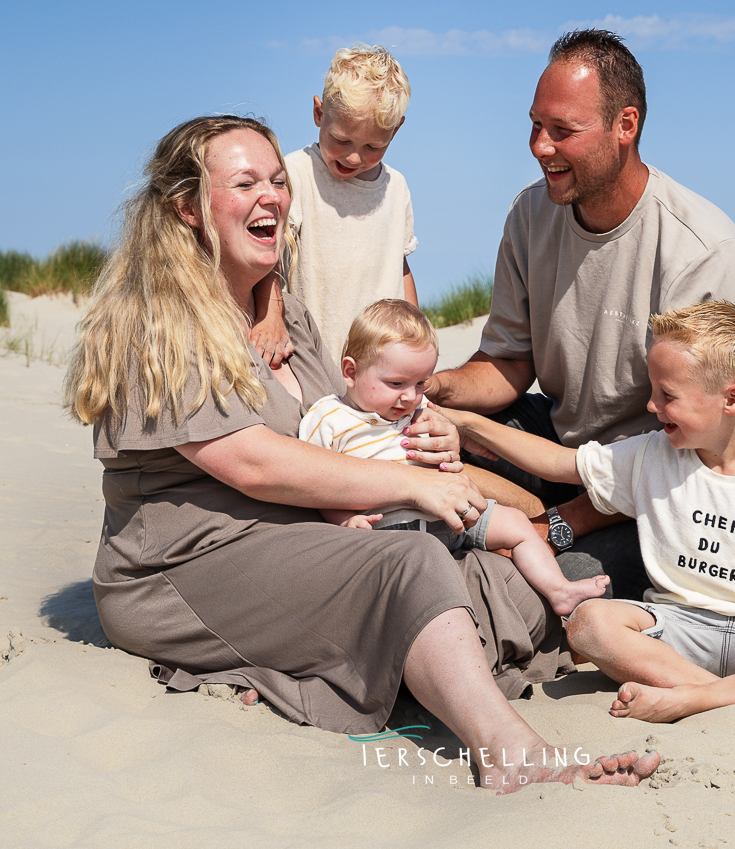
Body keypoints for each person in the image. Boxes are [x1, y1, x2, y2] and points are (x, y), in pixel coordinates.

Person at [64, 114, 658, 791]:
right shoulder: (158, 320)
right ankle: (508, 751)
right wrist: (405, 487)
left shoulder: (283, 314)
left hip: (303, 529)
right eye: (245, 182)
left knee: (499, 572)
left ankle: (396, 670)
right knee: (412, 561)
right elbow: (250, 460)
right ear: (187, 209)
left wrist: (427, 438)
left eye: (279, 181)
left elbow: (343, 417)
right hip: (187, 559)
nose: (273, 196)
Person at [440, 300, 735, 723]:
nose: (651, 404)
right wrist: (468, 422)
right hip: (678, 628)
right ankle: (709, 692)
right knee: (589, 624)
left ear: (733, 400)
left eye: (667, 395)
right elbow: (561, 464)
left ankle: (696, 697)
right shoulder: (653, 454)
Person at [426, 28, 735, 601]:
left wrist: (558, 526)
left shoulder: (704, 253)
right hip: (555, 447)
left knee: (555, 587)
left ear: (625, 126)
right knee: (413, 444)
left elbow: (706, 444)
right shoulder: (531, 213)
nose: (540, 146)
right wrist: (435, 390)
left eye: (563, 131)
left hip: (658, 480)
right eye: (536, 125)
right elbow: (510, 362)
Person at [299, 298, 610, 616]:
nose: (409, 396)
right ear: (351, 372)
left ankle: (559, 590)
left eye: (420, 383)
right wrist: (344, 521)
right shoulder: (329, 418)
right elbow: (317, 482)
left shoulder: (418, 409)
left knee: (517, 524)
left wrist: (460, 442)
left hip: (454, 516)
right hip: (389, 529)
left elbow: (448, 434)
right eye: (396, 383)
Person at [249, 45, 418, 368]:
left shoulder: (395, 187)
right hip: (312, 351)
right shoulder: (294, 174)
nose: (354, 157)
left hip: (382, 358)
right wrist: (270, 315)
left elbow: (401, 266)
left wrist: (416, 330)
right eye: (341, 139)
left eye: (373, 146)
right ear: (319, 113)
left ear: (395, 131)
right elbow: (270, 257)